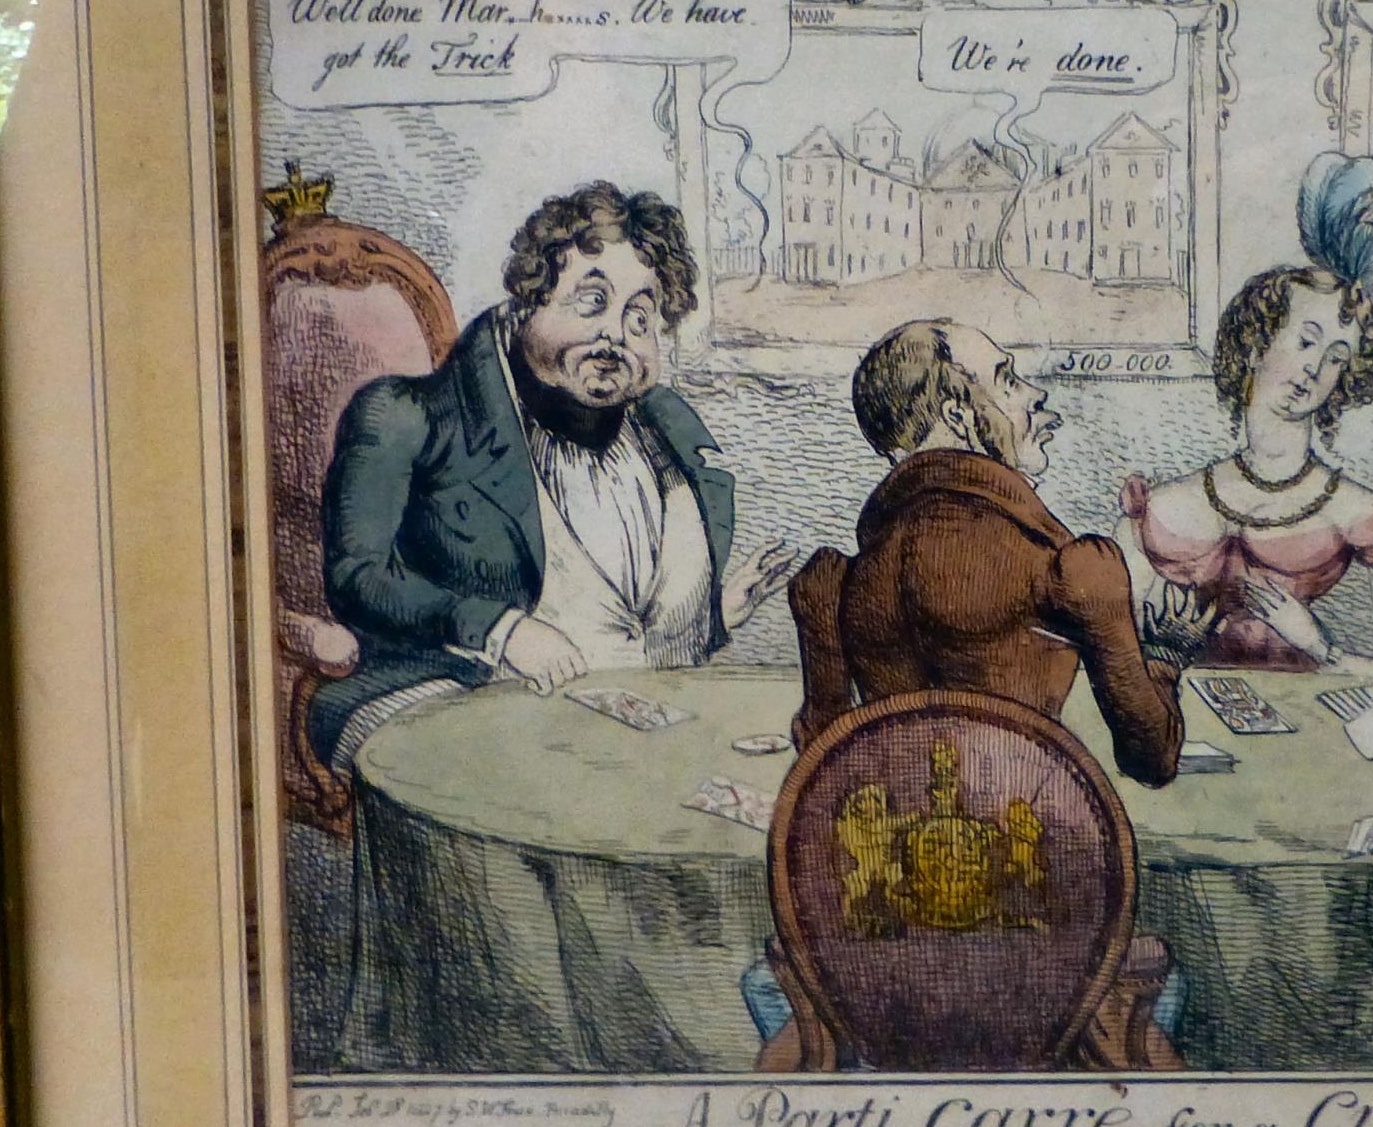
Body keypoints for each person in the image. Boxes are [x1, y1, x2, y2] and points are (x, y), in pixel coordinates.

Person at [313, 180, 795, 768]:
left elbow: (630, 633)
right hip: (455, 706)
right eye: (592, 302)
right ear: (526, 305)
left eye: (639, 318)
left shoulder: (669, 433)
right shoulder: (407, 415)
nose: (616, 335)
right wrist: (501, 630)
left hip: (622, 733)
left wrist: (709, 616)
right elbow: (358, 577)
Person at [788, 319, 1209, 789]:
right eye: (1007, 380)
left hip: (897, 829)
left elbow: (821, 756)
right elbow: (1151, 758)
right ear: (958, 416)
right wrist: (1164, 657)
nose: (1035, 394)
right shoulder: (1072, 569)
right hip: (1021, 825)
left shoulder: (835, 583)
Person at [1118, 263, 1373, 676]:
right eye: (1305, 342)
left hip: (1304, 708)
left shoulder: (1360, 511)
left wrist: (1320, 647)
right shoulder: (1163, 505)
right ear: (1255, 346)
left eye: (1336, 358)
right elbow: (1112, 652)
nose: (1314, 368)